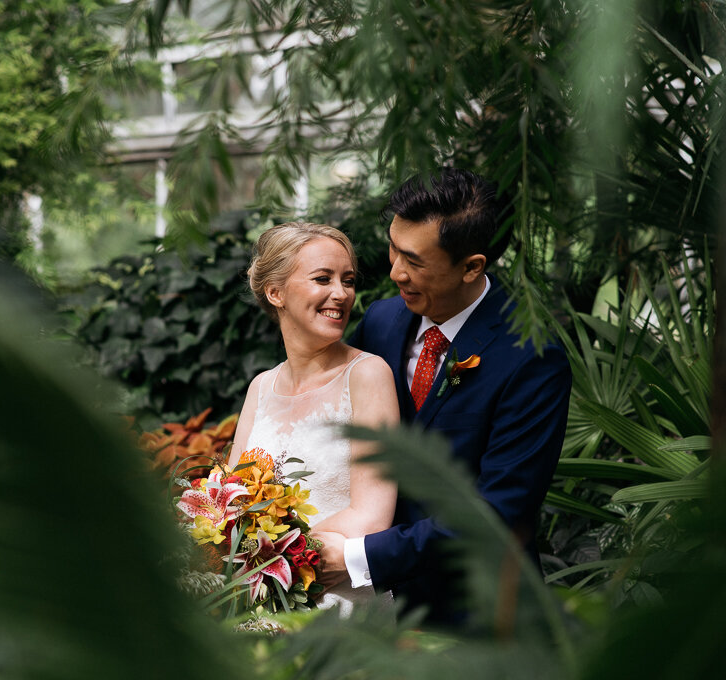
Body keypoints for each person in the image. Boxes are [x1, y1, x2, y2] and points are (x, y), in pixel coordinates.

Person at [313, 168, 572, 624]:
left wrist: (359, 558)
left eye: (414, 261)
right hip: (372, 614)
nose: (395, 272)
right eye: (394, 249)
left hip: (477, 616)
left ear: (472, 266)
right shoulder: (381, 322)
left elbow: (498, 512)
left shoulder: (532, 357)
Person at [227, 221, 400, 616]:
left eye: (348, 280)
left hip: (337, 603)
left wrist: (273, 557)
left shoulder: (367, 375)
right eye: (323, 279)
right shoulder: (260, 388)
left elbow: (372, 516)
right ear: (276, 292)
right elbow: (233, 505)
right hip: (256, 600)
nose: (340, 294)